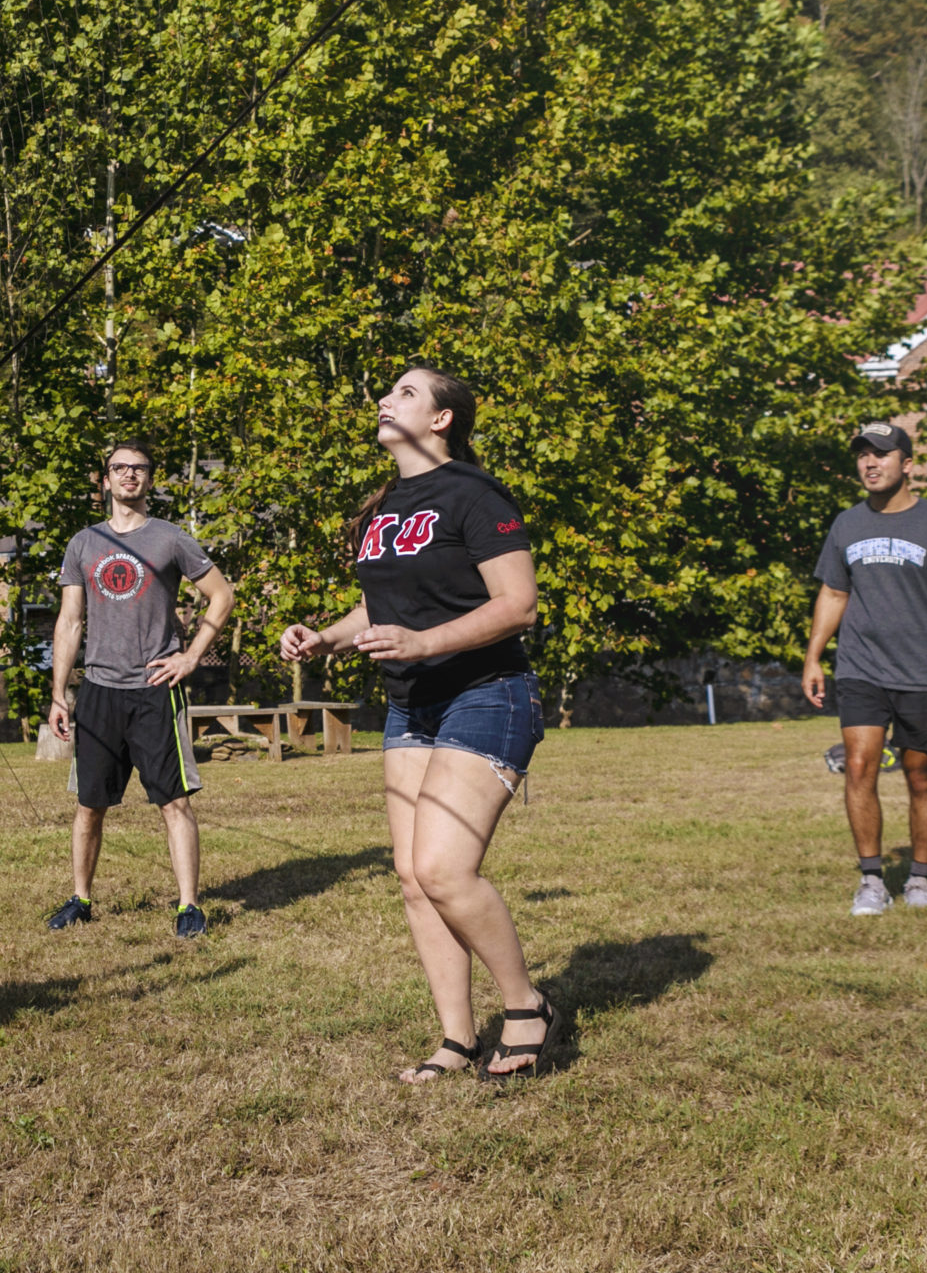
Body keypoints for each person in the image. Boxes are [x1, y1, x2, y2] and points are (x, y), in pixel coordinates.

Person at [280, 366, 548, 1084]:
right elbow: (383, 607)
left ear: (441, 419)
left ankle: (524, 1005)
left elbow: (518, 605)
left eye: (404, 392)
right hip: (412, 704)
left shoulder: (475, 493)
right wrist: (327, 638)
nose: (383, 400)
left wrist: (427, 643)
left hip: (488, 692)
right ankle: (456, 1040)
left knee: (442, 868)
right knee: (411, 878)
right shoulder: (386, 506)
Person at [43, 442, 236, 940]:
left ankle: (189, 905)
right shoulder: (83, 544)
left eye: (139, 469)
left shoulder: (171, 539)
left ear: (150, 479)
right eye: (119, 468)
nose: (130, 476)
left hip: (154, 689)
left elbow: (222, 595)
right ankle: (81, 898)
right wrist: (59, 693)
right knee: (90, 804)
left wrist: (191, 656)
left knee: (174, 802)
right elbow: (69, 621)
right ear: (104, 480)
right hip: (99, 691)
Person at [801, 421, 927, 918]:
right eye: (862, 455)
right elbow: (834, 593)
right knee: (859, 766)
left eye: (881, 454)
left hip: (924, 670)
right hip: (860, 666)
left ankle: (920, 879)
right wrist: (814, 655)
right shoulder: (847, 524)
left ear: (908, 464)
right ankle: (872, 880)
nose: (869, 463)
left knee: (920, 773)